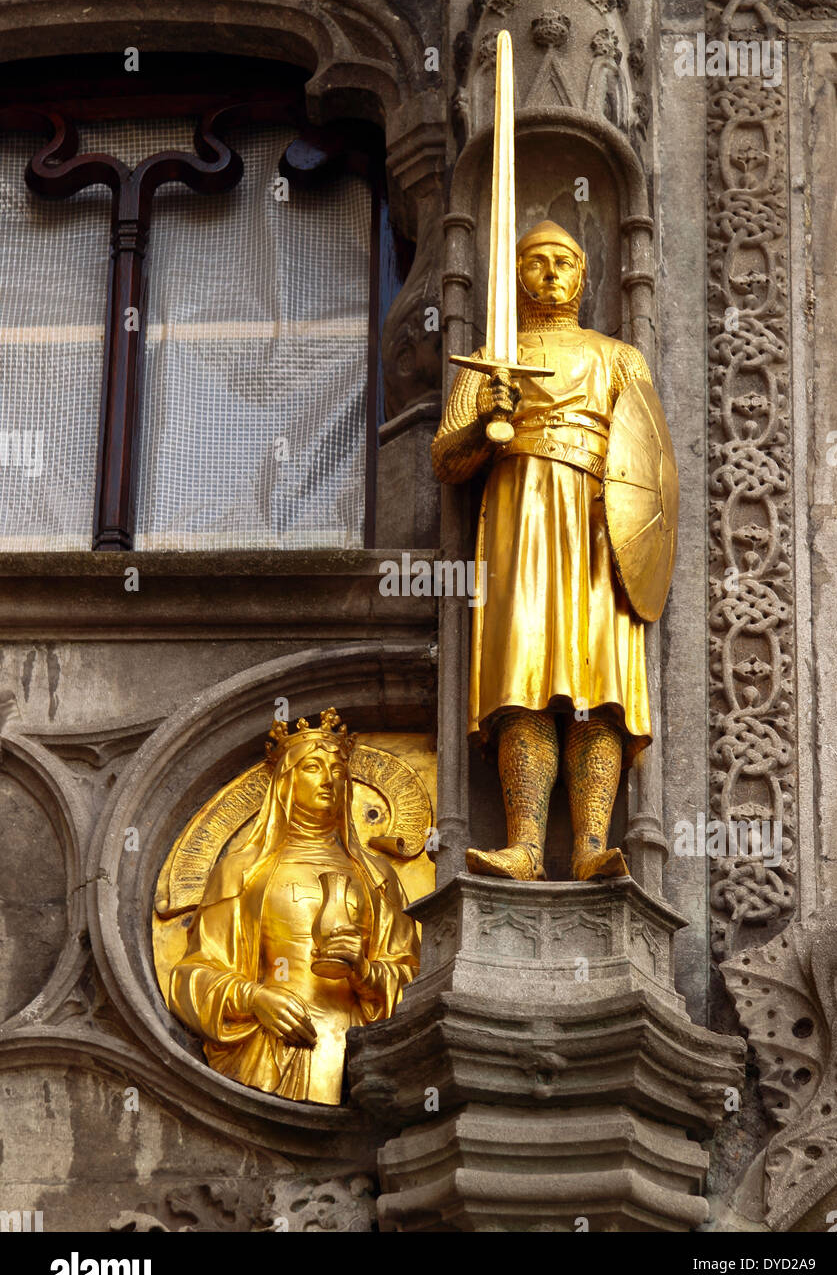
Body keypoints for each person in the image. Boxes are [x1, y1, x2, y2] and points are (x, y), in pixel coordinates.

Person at [432, 219, 653, 882]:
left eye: (564, 262)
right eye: (536, 262)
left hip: (596, 527)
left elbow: (649, 465)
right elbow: (447, 459)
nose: (551, 273)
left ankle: (590, 842)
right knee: (521, 683)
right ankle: (525, 844)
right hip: (518, 521)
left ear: (584, 276)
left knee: (598, 688)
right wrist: (485, 422)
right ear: (517, 275)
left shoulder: (618, 358)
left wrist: (627, 536)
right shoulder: (491, 357)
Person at [169, 708, 419, 1104]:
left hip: (358, 1054)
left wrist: (368, 973)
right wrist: (253, 999)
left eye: (338, 771)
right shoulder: (242, 871)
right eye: (313, 768)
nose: (328, 781)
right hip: (270, 1049)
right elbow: (191, 976)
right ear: (285, 783)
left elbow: (416, 980)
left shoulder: (377, 876)